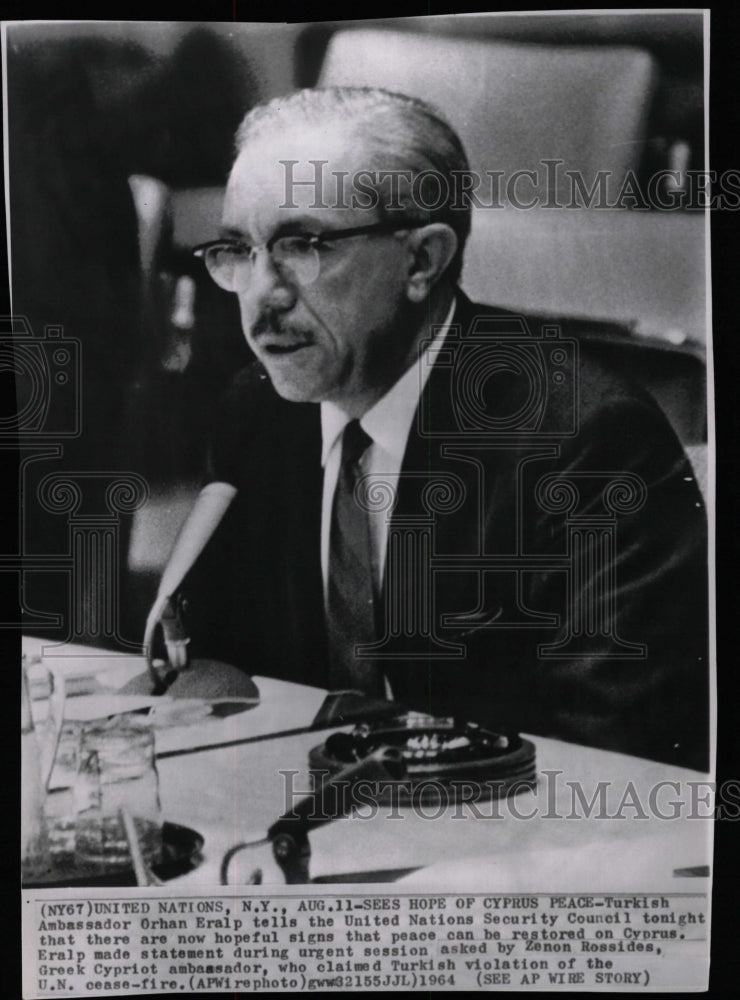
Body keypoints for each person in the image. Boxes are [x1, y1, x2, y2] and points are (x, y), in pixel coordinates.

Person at [146, 87, 708, 771]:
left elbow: (612, 766)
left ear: (421, 261)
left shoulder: (589, 446)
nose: (262, 294)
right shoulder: (259, 407)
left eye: (302, 245)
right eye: (237, 249)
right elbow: (216, 660)